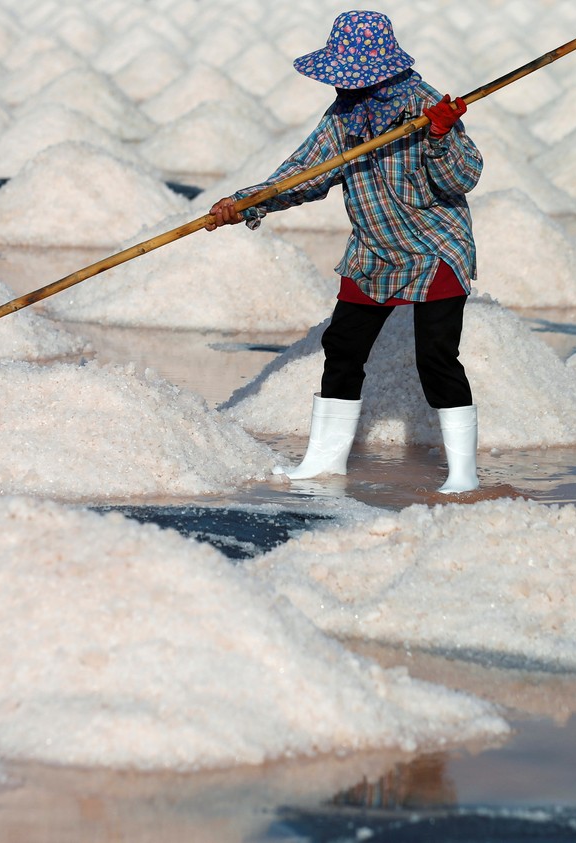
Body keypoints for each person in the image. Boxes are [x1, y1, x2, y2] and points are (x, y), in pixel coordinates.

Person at [206, 9, 482, 494]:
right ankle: (324, 460)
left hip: (434, 248)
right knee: (343, 348)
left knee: (436, 357)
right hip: (373, 250)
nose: (342, 87)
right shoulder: (344, 114)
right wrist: (247, 202)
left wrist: (439, 137)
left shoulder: (426, 107)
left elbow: (462, 179)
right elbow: (305, 173)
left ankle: (463, 474)